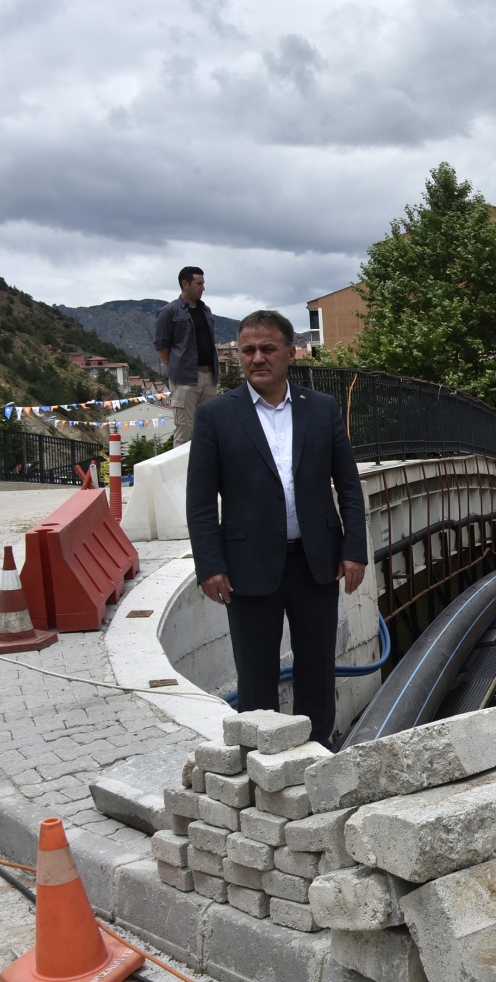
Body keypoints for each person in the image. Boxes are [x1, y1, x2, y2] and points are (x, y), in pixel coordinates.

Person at [185, 310, 367, 747]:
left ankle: (317, 754)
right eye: (247, 350)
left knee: (317, 669)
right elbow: (200, 501)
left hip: (316, 561)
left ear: (290, 353)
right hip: (247, 565)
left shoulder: (320, 408)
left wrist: (354, 550)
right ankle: (261, 760)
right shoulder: (215, 416)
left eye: (268, 348)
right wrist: (210, 565)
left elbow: (348, 486)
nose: (257, 358)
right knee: (256, 674)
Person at [155, 267, 220, 444]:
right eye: (199, 283)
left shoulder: (206, 310)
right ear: (185, 284)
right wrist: (177, 369)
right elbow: (161, 346)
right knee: (183, 431)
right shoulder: (169, 311)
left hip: (210, 378)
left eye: (203, 283)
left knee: (210, 429)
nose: (203, 288)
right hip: (185, 380)